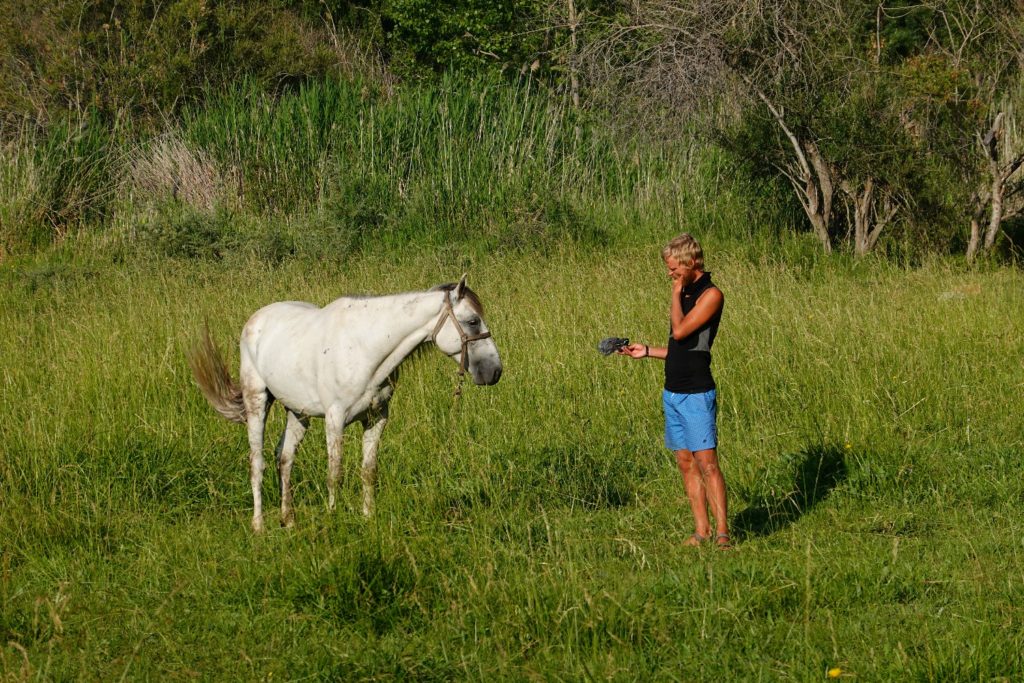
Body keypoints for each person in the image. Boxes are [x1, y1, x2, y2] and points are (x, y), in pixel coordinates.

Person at [619, 233, 730, 548]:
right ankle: (701, 531)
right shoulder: (683, 293)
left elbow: (680, 331)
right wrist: (648, 351)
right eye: (669, 271)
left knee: (707, 463)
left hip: (697, 392)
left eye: (673, 269)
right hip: (673, 392)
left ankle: (723, 535)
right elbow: (681, 347)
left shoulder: (711, 295)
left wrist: (676, 292)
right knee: (685, 461)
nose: (670, 275)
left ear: (690, 262)